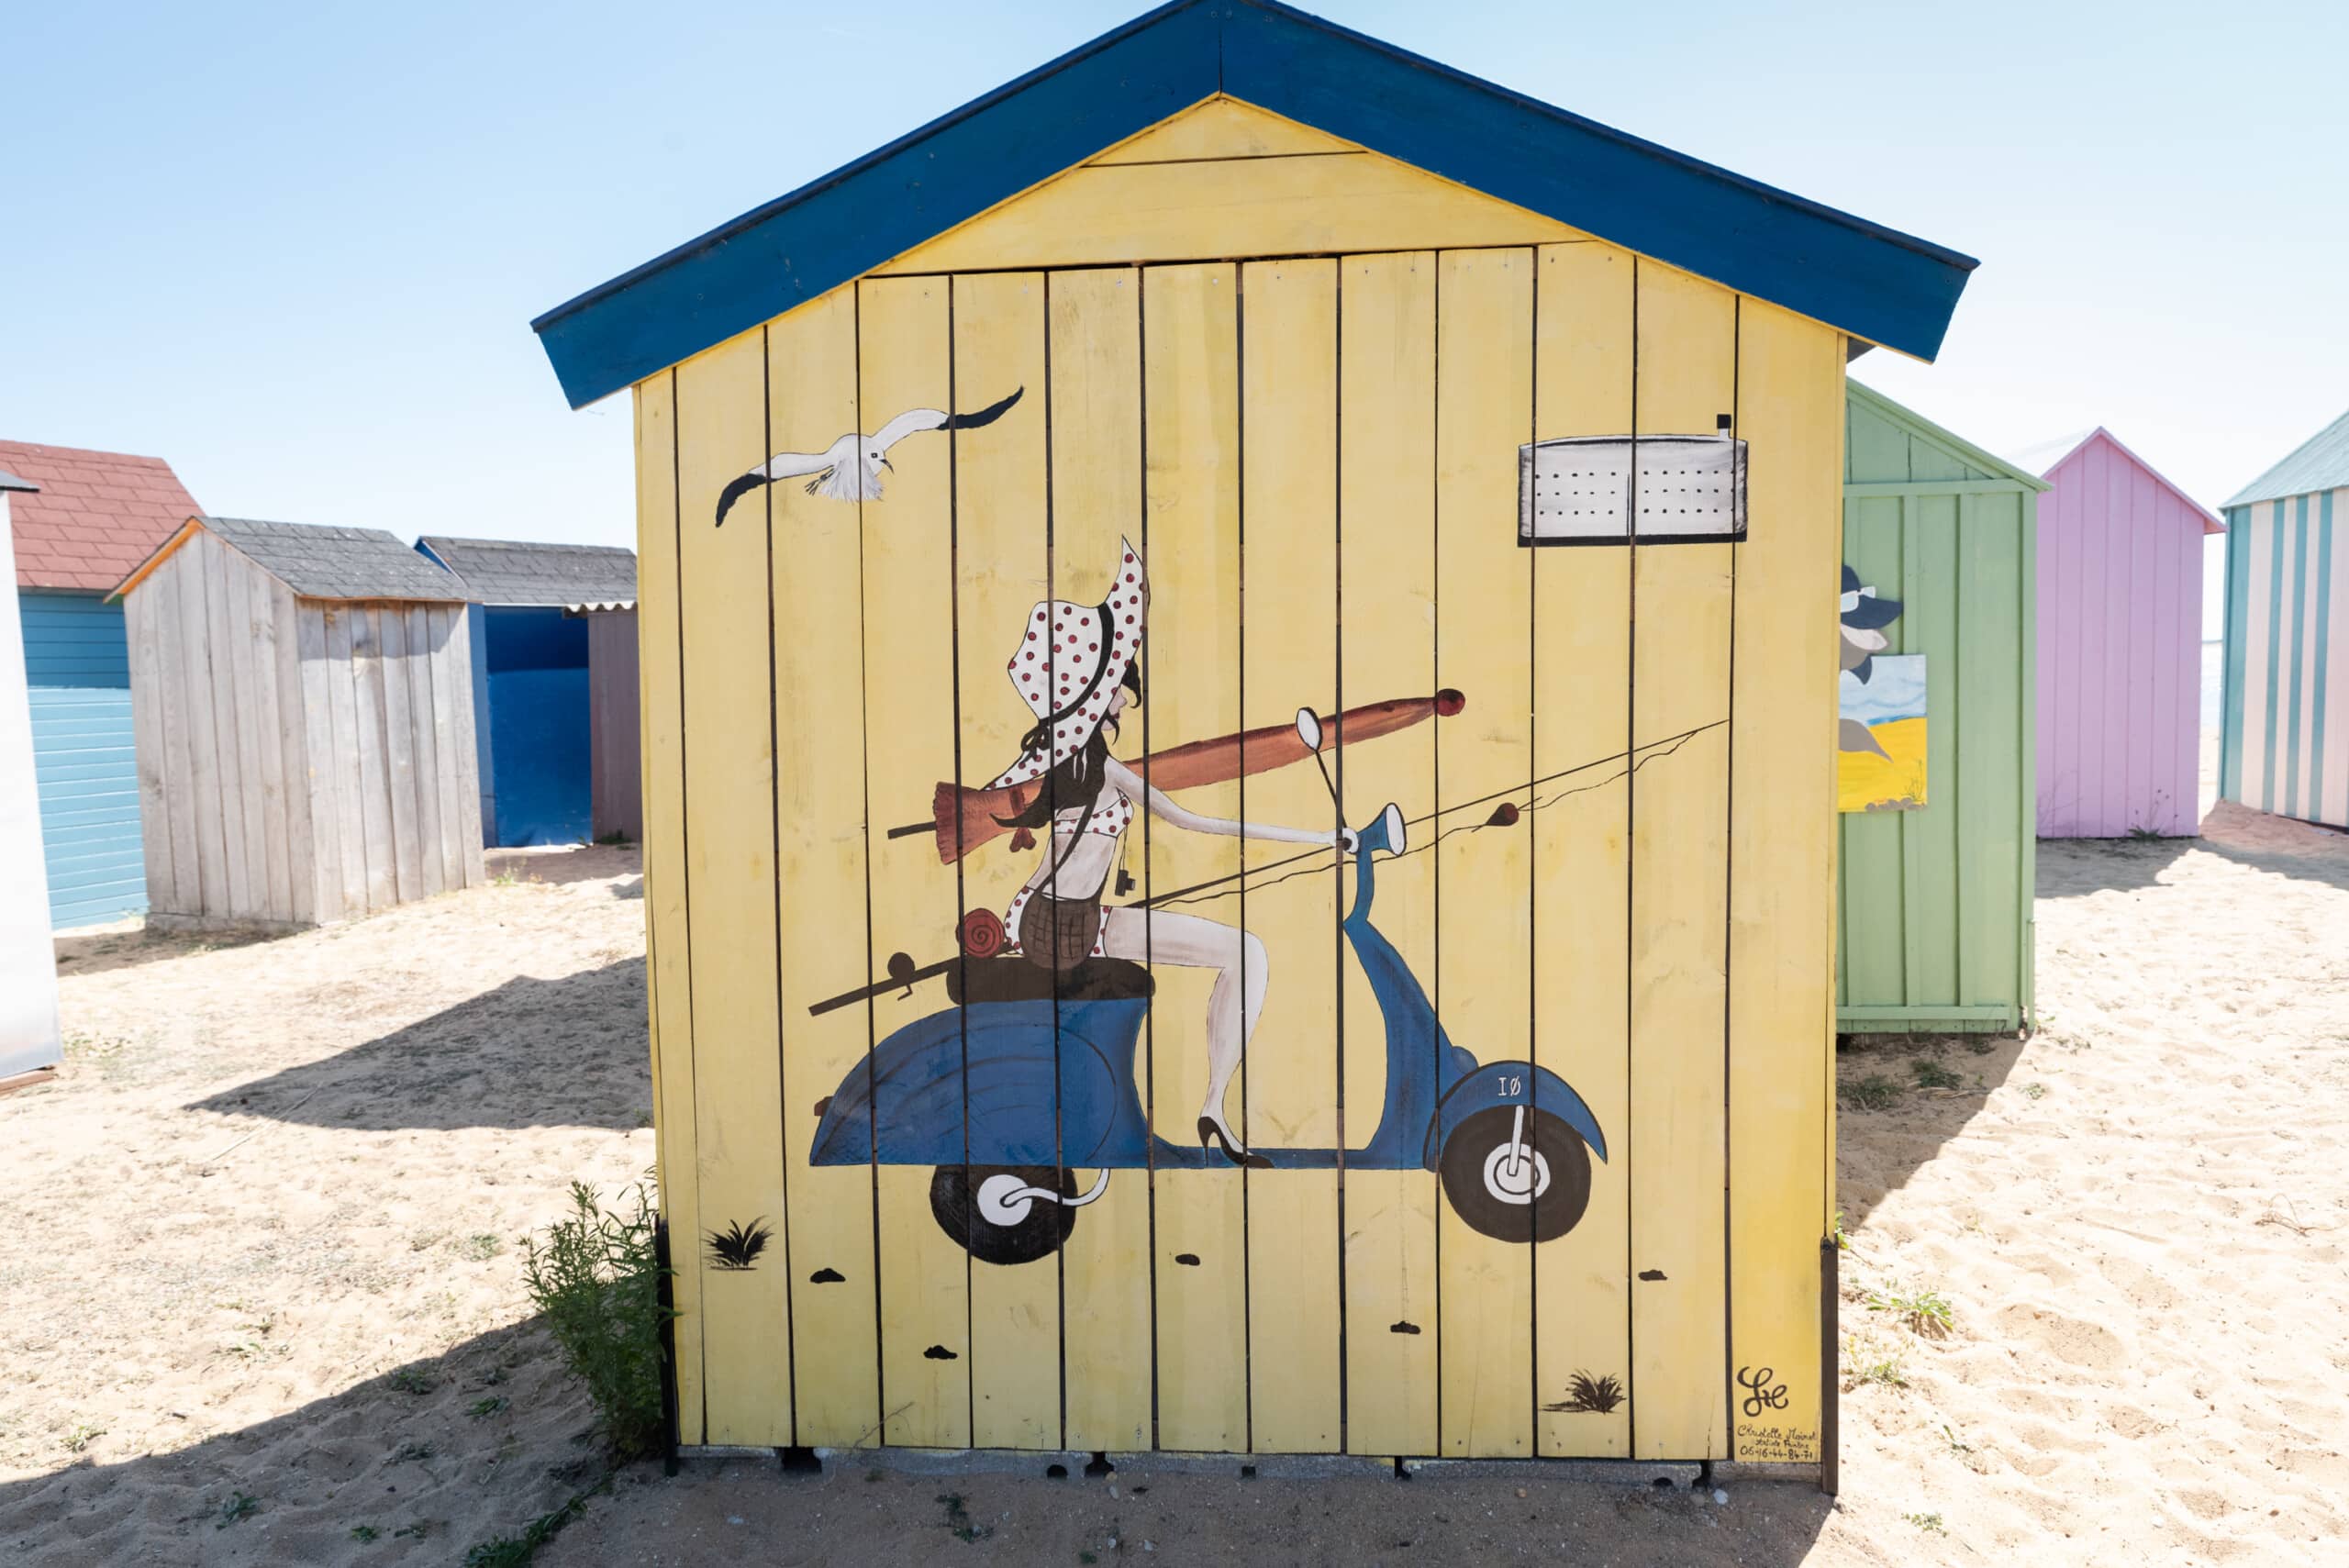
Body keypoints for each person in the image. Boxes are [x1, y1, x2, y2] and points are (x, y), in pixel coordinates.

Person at [985, 539, 1349, 1167]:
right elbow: (1199, 822)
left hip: (1062, 921)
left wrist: (1318, 839)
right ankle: (1211, 1102)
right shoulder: (1090, 764)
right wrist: (1321, 840)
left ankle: (1214, 1105)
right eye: (1123, 690)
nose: (1128, 700)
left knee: (1244, 952)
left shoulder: (1079, 763)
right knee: (1245, 952)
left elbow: (1178, 819)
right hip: (1061, 929)